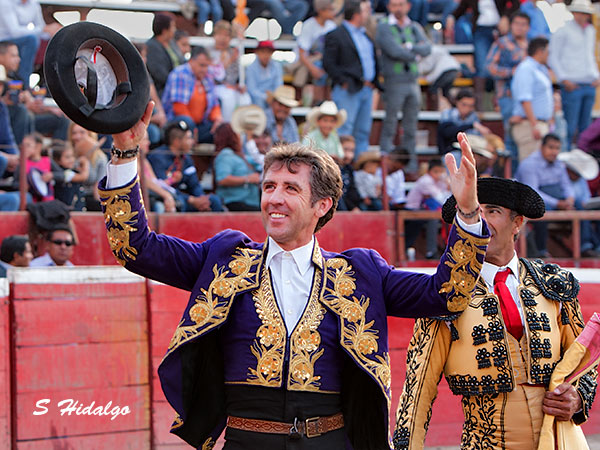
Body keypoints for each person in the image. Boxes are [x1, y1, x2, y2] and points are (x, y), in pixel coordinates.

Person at [99, 100, 490, 449]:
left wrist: (468, 214)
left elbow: (448, 294)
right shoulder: (224, 259)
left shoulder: (362, 273)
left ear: (322, 205)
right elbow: (135, 247)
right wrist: (124, 152)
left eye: (290, 188)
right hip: (246, 441)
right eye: (269, 186)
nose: (274, 198)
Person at [394, 177, 597, 450]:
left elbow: (584, 361)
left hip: (559, 441)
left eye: (493, 211)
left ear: (517, 223)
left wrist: (578, 399)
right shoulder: (446, 294)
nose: (482, 222)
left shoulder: (552, 283)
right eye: (474, 213)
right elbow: (418, 390)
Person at [375, 0, 431, 168]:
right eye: (394, 4)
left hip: (413, 81)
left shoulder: (413, 26)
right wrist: (415, 52)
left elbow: (427, 48)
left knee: (411, 126)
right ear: (389, 7)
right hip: (394, 81)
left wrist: (408, 47)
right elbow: (393, 50)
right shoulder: (383, 26)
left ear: (408, 6)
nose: (398, 8)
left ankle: (410, 165)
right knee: (390, 123)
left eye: (401, 4)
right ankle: (386, 164)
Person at [324, 0, 382, 155]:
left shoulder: (365, 35)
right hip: (348, 89)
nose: (367, 15)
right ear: (356, 14)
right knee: (345, 129)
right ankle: (342, 169)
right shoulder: (335, 35)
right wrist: (343, 81)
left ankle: (358, 169)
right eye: (365, 11)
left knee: (362, 131)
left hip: (366, 88)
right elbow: (328, 63)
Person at [445, 0, 518, 109]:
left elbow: (515, 4)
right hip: (481, 30)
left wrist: (506, 17)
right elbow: (461, 7)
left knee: (501, 66)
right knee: (482, 68)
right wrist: (451, 17)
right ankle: (479, 107)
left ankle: (499, 102)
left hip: (499, 30)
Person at [548, 0, 600, 149]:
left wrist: (596, 76)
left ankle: (583, 160)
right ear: (573, 13)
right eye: (579, 13)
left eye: (585, 14)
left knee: (586, 128)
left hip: (589, 82)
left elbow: (590, 55)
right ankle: (568, 158)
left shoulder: (590, 31)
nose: (582, 16)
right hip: (573, 84)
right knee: (570, 128)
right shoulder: (563, 30)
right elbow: (553, 57)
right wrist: (564, 79)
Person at [515, 133, 574, 258]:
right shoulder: (529, 164)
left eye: (557, 148)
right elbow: (533, 191)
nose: (554, 152)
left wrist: (570, 199)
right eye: (551, 147)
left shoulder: (559, 163)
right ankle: (541, 251)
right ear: (542, 147)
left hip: (558, 201)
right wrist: (557, 203)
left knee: (582, 207)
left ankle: (587, 246)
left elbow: (566, 185)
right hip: (535, 201)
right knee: (539, 211)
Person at [147, 120, 224, 212]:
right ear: (176, 141)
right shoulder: (158, 157)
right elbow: (163, 187)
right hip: (168, 197)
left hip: (187, 198)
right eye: (188, 138)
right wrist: (191, 199)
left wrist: (202, 199)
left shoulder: (186, 158)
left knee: (214, 201)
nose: (192, 141)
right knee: (180, 202)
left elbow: (194, 185)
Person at [485, 11, 530, 167]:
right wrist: (512, 72)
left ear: (528, 27)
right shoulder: (502, 43)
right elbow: (490, 67)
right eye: (517, 24)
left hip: (529, 98)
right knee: (511, 137)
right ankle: (512, 179)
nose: (519, 27)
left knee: (528, 137)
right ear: (511, 25)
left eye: (523, 24)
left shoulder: (532, 45)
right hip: (509, 95)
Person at [162, 46, 223, 143]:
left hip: (200, 124)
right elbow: (179, 108)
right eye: (201, 65)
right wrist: (193, 130)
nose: (204, 69)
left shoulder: (207, 76)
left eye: (207, 66)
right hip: (179, 123)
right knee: (187, 122)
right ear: (191, 61)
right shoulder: (180, 74)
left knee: (222, 129)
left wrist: (217, 120)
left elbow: (215, 104)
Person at [510, 36, 553, 161]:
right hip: (529, 125)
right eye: (548, 52)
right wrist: (534, 125)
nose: (549, 55)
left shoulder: (540, 69)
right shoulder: (526, 69)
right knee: (530, 165)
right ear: (540, 51)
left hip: (537, 124)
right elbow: (525, 99)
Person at [0, 0, 60, 83]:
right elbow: (14, 31)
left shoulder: (34, 4)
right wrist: (44, 29)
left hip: (24, 39)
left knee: (52, 41)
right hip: (4, 40)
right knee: (31, 40)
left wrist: (55, 32)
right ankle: (23, 82)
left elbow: (41, 29)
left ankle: (48, 82)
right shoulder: (5, 3)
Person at [293, 0, 339, 104]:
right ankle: (318, 102)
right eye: (330, 9)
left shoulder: (332, 26)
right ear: (321, 11)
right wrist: (313, 69)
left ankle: (328, 103)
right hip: (309, 63)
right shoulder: (309, 25)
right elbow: (302, 53)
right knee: (319, 67)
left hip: (325, 62)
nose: (334, 12)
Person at [405, 158, 451, 258]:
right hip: (413, 210)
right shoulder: (426, 181)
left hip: (429, 210)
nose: (438, 174)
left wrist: (448, 185)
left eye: (441, 171)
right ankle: (431, 251)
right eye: (435, 171)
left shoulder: (441, 181)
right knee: (433, 220)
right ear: (429, 171)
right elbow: (441, 200)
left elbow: (447, 199)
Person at [213, 123, 262, 211]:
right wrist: (248, 179)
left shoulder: (240, 155)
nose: (241, 137)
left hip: (250, 202)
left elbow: (258, 160)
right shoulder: (225, 155)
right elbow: (222, 179)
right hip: (235, 202)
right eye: (239, 133)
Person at [209, 20, 249, 122]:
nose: (223, 38)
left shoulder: (233, 52)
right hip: (215, 87)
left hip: (233, 88)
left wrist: (240, 85)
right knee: (228, 100)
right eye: (219, 34)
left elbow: (239, 74)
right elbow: (213, 75)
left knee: (245, 99)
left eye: (226, 35)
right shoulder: (208, 52)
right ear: (214, 35)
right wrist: (229, 60)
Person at [68, 123, 108, 211]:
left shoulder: (100, 157)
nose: (78, 136)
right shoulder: (67, 154)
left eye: (82, 133)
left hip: (88, 197)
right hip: (70, 195)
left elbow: (98, 187)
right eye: (74, 133)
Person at [438, 89, 490, 154]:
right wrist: (472, 126)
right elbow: (448, 133)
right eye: (464, 105)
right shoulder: (448, 114)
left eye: (470, 106)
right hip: (451, 151)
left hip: (470, 152)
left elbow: (475, 138)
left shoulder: (473, 116)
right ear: (456, 102)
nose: (467, 109)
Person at [145, 12, 180, 97]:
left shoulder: (171, 44)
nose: (175, 30)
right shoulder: (151, 47)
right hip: (163, 92)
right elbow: (160, 75)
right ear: (165, 31)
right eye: (173, 27)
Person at [51, 141, 89, 209]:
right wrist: (86, 165)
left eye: (72, 156)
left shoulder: (72, 171)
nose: (71, 160)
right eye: (67, 157)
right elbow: (83, 177)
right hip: (67, 209)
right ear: (58, 160)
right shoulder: (64, 173)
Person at [246, 40, 283, 112]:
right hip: (256, 99)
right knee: (259, 103)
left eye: (268, 52)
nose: (266, 55)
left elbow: (279, 85)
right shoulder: (251, 68)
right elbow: (252, 89)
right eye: (263, 52)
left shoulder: (276, 66)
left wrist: (273, 96)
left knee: (281, 104)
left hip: (273, 98)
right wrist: (265, 97)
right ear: (257, 52)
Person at [338, 134, 362, 210]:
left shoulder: (349, 169)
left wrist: (354, 207)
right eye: (345, 149)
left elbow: (352, 190)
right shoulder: (332, 168)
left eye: (351, 150)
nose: (349, 154)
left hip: (348, 204)